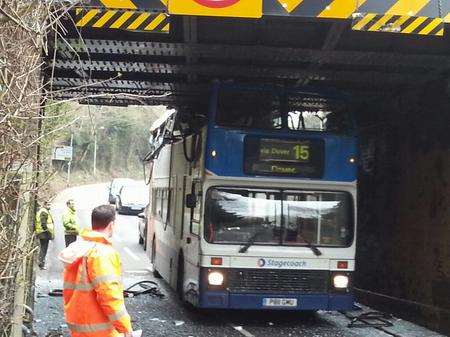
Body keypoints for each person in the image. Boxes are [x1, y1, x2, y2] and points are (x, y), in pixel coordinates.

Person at [59, 205, 133, 337]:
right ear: (111, 225)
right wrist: (125, 327)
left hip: (79, 327)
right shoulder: (103, 254)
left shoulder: (77, 249)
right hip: (101, 330)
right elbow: (109, 295)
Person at [35, 201, 55, 269]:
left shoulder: (43, 211)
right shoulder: (44, 212)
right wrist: (48, 232)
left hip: (42, 232)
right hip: (44, 233)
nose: (49, 206)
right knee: (44, 249)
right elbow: (43, 223)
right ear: (45, 205)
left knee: (43, 248)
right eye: (48, 205)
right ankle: (41, 263)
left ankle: (41, 262)